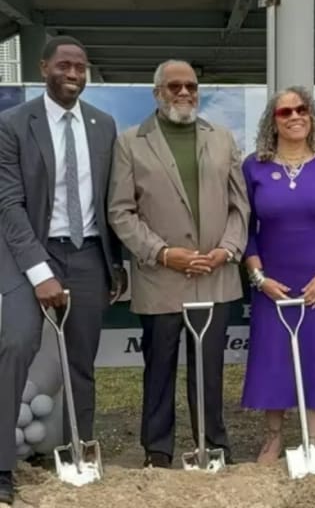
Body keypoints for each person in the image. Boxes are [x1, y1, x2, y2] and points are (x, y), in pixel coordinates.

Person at [0, 36, 125, 502]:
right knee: (16, 346)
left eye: (81, 66)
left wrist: (119, 264)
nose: (73, 73)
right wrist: (40, 273)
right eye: (64, 65)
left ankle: (78, 456)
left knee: (81, 360)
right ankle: (2, 468)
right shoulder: (13, 124)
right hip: (27, 255)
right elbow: (9, 205)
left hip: (89, 254)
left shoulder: (103, 124)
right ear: (44, 67)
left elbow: (113, 202)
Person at [108, 59, 249, 468]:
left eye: (190, 85)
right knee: (160, 368)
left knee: (209, 370)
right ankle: (158, 451)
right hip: (161, 278)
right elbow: (121, 212)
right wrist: (163, 253)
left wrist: (227, 249)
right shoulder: (130, 142)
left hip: (217, 276)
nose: (184, 93)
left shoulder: (222, 138)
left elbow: (241, 205)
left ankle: (214, 447)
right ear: (157, 93)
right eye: (174, 87)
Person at [240, 86, 315, 464]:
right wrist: (260, 279)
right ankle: (273, 438)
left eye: (301, 109)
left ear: (312, 116)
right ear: (272, 122)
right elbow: (245, 229)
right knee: (273, 358)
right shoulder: (253, 166)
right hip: (272, 286)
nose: (294, 116)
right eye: (284, 111)